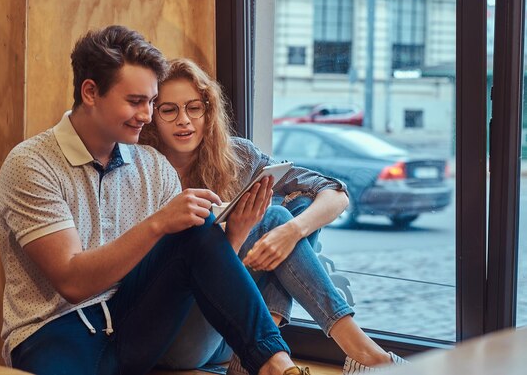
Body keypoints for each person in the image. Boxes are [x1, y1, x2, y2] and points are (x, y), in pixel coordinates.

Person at [0, 25, 314, 375]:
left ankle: (278, 366)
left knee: (196, 224)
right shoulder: (31, 164)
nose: (146, 115)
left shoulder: (151, 165)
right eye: (135, 101)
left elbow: (197, 257)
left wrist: (233, 233)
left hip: (132, 324)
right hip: (51, 332)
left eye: (150, 101)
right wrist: (158, 222)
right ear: (90, 92)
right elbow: (72, 283)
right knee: (180, 220)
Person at [138, 58, 407, 375]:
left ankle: (259, 356)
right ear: (153, 116)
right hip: (177, 339)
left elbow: (334, 192)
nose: (185, 120)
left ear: (208, 111)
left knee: (293, 213)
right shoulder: (143, 169)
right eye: (169, 110)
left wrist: (292, 231)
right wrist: (236, 238)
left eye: (194, 108)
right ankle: (365, 354)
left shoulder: (238, 156)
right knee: (274, 218)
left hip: (229, 337)